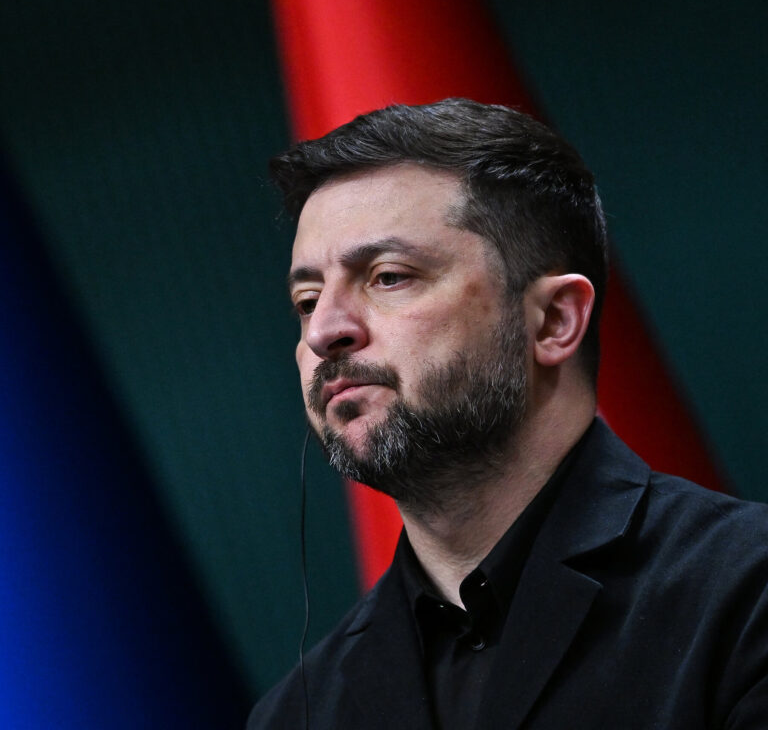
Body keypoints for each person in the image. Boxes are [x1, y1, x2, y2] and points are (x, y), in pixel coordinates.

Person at [248, 98, 768, 729]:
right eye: (307, 300)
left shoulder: (748, 589)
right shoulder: (293, 716)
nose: (323, 331)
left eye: (388, 276)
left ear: (553, 320)